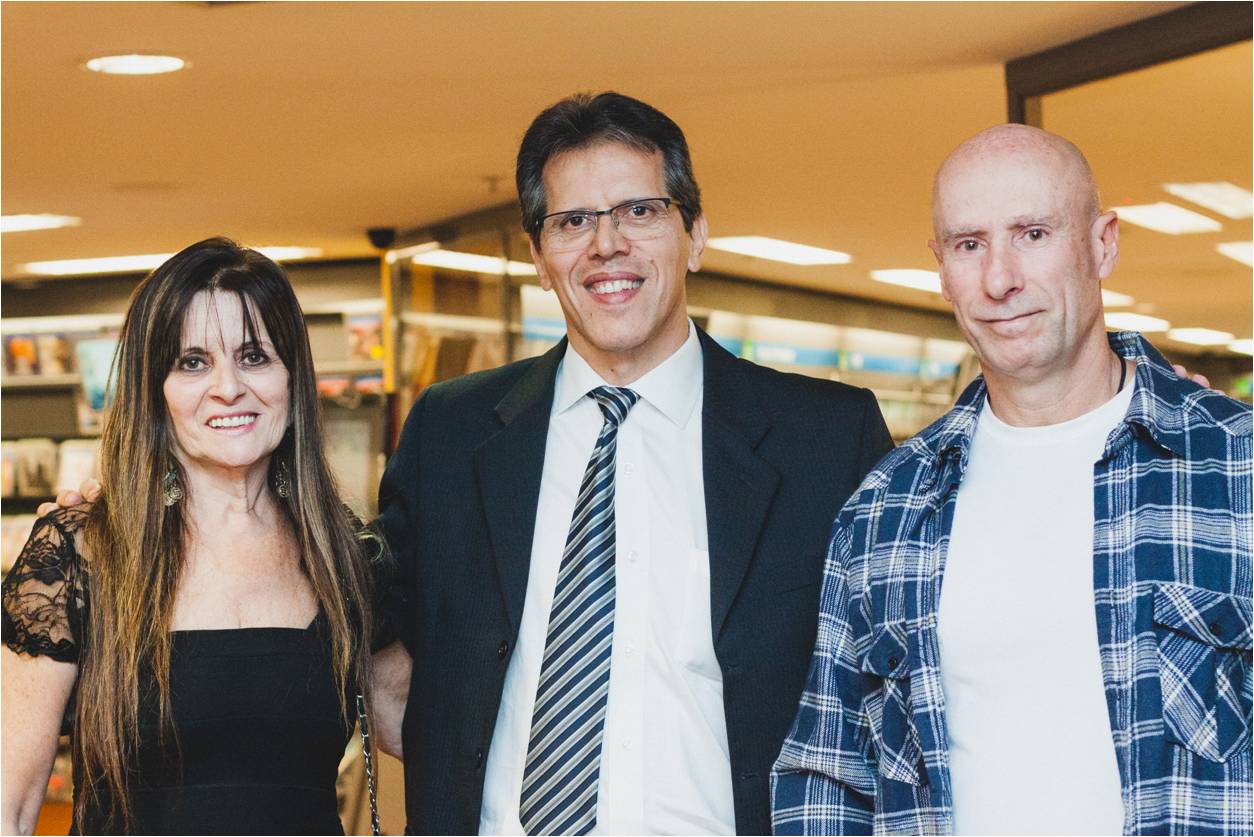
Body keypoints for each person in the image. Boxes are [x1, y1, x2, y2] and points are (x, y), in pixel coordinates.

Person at [371, 91, 894, 835]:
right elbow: (364, 606)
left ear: (695, 234)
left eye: (640, 211)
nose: (606, 244)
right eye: (572, 221)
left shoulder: (826, 440)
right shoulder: (452, 434)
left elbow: (894, 684)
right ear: (539, 258)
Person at [771, 124, 1252, 835]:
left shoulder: (1235, 468)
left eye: (1032, 233)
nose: (999, 279)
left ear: (1102, 243)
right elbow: (829, 775)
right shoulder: (883, 511)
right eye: (970, 244)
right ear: (941, 267)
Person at [1, 238, 391, 835]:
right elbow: (13, 800)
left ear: (292, 377)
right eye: (192, 362)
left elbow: (419, 725)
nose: (228, 387)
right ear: (155, 391)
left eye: (255, 356)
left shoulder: (346, 554)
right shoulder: (82, 549)